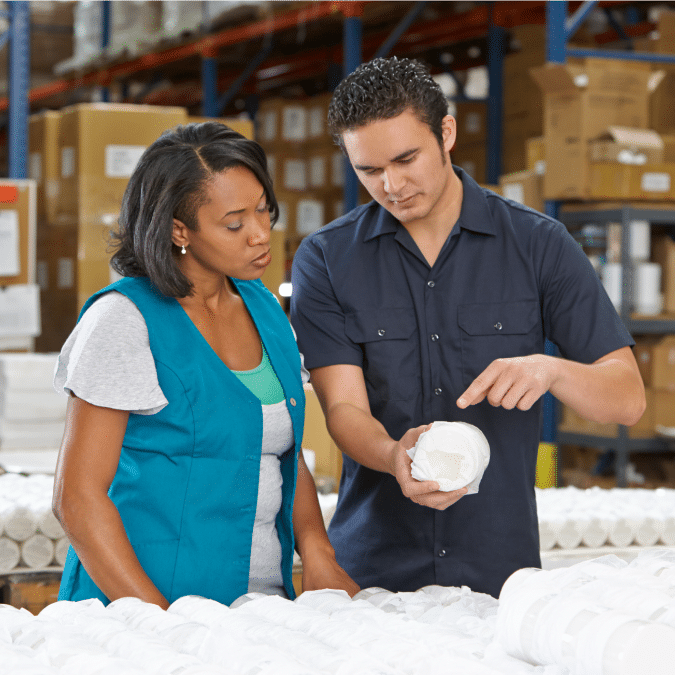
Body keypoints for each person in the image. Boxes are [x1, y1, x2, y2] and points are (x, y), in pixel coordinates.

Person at [290, 57, 646, 598]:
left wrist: (550, 370)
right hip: (369, 580)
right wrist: (394, 456)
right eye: (368, 170)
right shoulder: (327, 260)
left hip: (498, 577)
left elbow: (626, 400)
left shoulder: (538, 245)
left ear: (447, 133)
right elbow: (342, 408)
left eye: (406, 158)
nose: (391, 185)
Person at [52, 122, 359, 609]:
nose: (260, 234)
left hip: (255, 609)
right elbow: (77, 499)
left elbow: (282, 448)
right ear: (180, 230)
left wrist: (316, 549)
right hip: (144, 609)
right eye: (235, 223)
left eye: (263, 209)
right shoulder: (125, 321)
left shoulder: (265, 312)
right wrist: (161, 626)